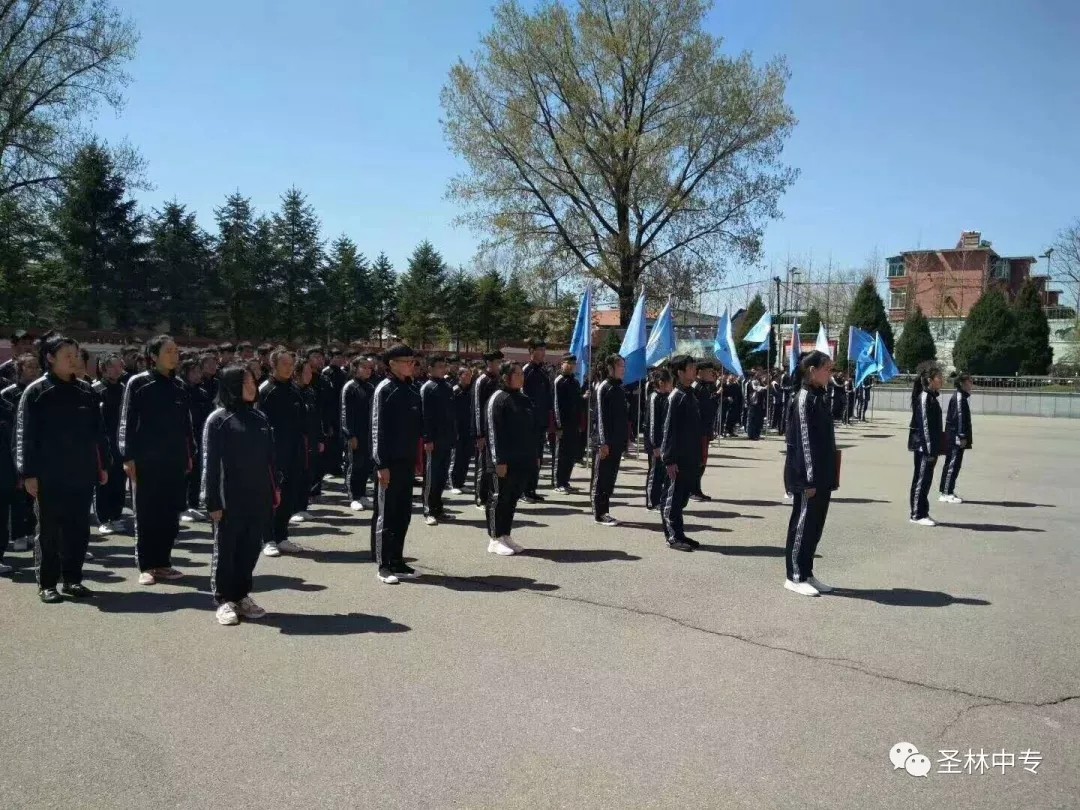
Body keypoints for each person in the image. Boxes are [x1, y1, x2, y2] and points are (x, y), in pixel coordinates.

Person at [15, 334, 109, 602]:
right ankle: (47, 584)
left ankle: (72, 579)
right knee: (49, 532)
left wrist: (103, 465)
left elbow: (99, 433)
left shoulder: (86, 391)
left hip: (82, 472)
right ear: (50, 358)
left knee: (78, 529)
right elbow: (24, 435)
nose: (73, 360)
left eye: (75, 355)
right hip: (49, 475)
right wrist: (28, 473)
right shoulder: (37, 391)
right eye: (67, 355)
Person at [201, 365, 277, 626]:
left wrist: (273, 490)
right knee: (227, 550)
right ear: (231, 386)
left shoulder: (260, 418)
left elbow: (269, 460)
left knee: (250, 548)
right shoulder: (218, 420)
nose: (252, 387)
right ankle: (224, 599)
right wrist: (212, 500)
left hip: (257, 496)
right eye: (245, 383)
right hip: (228, 499)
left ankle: (242, 595)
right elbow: (211, 464)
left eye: (253, 382)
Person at [118, 335, 195, 585]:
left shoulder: (179, 386)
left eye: (176, 351)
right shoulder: (138, 383)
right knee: (147, 514)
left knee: (170, 514)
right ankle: (147, 565)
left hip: (174, 459)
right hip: (145, 460)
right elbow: (127, 420)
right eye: (168, 351)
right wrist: (127, 456)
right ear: (153, 356)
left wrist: (189, 453)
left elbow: (186, 425)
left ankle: (163, 562)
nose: (174, 355)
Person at [783, 351, 839, 596]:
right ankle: (794, 576)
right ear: (812, 370)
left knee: (815, 527)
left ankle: (806, 573)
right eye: (827, 369)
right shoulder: (804, 399)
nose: (830, 373)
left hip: (822, 474)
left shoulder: (819, 397)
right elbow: (804, 443)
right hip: (807, 476)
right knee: (802, 525)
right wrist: (809, 479)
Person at [370, 343, 422, 584]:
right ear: (391, 364)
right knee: (386, 514)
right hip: (388, 463)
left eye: (413, 361)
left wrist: (417, 459)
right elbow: (377, 428)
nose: (411, 365)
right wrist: (381, 464)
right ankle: (383, 565)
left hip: (407, 461)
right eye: (406, 361)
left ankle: (398, 560)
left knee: (403, 514)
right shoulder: (384, 389)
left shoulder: (412, 389)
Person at [258, 349, 307, 555]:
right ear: (273, 366)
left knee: (288, 494)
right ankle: (267, 538)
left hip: (293, 451)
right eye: (284, 364)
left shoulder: (295, 390)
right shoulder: (265, 391)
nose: (289, 368)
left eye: (291, 364)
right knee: (271, 496)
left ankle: (282, 536)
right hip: (273, 453)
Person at [485, 362, 533, 555]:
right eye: (517, 374)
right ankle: (494, 538)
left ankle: (505, 534)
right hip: (502, 460)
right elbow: (493, 432)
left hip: (520, 459)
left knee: (511, 498)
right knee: (498, 498)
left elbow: (530, 430)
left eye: (522, 374)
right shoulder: (498, 398)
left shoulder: (523, 398)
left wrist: (534, 455)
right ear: (506, 377)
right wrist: (499, 461)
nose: (522, 377)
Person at [659, 355, 700, 551]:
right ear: (680, 372)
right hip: (676, 459)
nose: (694, 371)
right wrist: (669, 460)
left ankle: (680, 533)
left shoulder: (690, 394)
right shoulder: (675, 397)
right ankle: (672, 537)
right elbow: (668, 430)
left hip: (689, 456)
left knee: (681, 498)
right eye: (690, 368)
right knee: (672, 499)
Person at [2, 352, 41, 550]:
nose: (34, 370)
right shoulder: (8, 394)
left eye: (36, 366)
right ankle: (18, 534)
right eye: (29, 366)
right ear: (20, 369)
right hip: (14, 448)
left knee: (35, 495)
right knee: (18, 494)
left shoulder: (40, 390)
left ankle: (33, 531)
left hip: (36, 448)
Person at [92, 354, 128, 535]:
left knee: (120, 480)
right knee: (104, 480)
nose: (116, 370)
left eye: (119, 366)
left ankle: (116, 516)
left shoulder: (124, 389)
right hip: (103, 441)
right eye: (112, 366)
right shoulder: (96, 389)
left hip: (120, 440)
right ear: (104, 369)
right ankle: (103, 518)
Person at [418, 356, 455, 526]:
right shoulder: (427, 388)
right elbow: (425, 416)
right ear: (430, 369)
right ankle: (428, 510)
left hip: (446, 438)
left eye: (444, 366)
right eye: (439, 366)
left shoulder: (447, 386)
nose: (443, 369)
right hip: (433, 440)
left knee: (441, 477)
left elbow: (451, 415)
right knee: (431, 477)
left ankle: (438, 509)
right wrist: (427, 438)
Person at [593, 354, 628, 527]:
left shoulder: (619, 388)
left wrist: (625, 439)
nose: (623, 369)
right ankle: (600, 514)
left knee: (610, 478)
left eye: (623, 366)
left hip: (617, 441)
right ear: (610, 368)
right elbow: (600, 417)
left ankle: (605, 511)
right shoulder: (604, 387)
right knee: (601, 478)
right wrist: (602, 442)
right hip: (605, 442)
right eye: (620, 366)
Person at [908, 361, 944, 527]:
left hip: (930, 448)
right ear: (930, 380)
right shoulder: (924, 398)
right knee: (921, 480)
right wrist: (929, 450)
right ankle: (916, 514)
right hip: (924, 448)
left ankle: (923, 512)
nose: (941, 380)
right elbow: (925, 426)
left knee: (926, 480)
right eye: (939, 377)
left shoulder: (931, 397)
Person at [181, 357, 213, 523]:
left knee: (196, 472)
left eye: (199, 371)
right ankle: (181, 507)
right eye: (193, 371)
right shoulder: (180, 390)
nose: (197, 375)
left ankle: (192, 505)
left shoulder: (202, 393)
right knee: (184, 472)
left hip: (199, 437)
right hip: (184, 438)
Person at [341, 355, 374, 511]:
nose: (368, 370)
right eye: (364, 367)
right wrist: (350, 435)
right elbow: (345, 413)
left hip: (368, 434)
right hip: (354, 434)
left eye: (369, 368)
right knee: (353, 465)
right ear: (355, 368)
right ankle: (353, 497)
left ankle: (361, 494)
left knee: (365, 465)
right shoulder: (350, 387)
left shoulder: (370, 387)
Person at [521, 339, 552, 503]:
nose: (542, 353)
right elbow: (521, 396)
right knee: (528, 457)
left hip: (540, 422)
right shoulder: (526, 371)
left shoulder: (543, 371)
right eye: (539, 349)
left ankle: (532, 489)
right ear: (531, 351)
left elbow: (547, 396)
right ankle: (523, 490)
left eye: (544, 349)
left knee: (537, 458)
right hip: (528, 423)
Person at [472, 351, 502, 509]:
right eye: (497, 362)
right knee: (482, 466)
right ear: (489, 363)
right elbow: (477, 408)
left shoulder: (499, 379)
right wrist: (479, 434)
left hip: (496, 430)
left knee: (493, 466)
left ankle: (491, 494)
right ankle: (480, 497)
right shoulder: (481, 381)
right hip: (483, 431)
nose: (500, 365)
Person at [939, 372, 973, 504]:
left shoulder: (961, 397)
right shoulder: (959, 398)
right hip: (955, 437)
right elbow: (958, 418)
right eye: (969, 381)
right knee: (952, 465)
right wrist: (962, 435)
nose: (971, 384)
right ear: (962, 383)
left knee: (954, 465)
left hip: (955, 436)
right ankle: (946, 493)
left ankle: (948, 490)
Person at [552, 354, 582, 494]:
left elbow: (577, 402)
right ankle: (558, 483)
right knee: (561, 455)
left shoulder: (575, 382)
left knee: (570, 455)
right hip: (562, 425)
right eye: (568, 363)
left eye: (573, 363)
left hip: (573, 424)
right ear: (562, 364)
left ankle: (565, 481)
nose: (571, 366)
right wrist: (558, 426)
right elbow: (556, 404)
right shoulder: (558, 381)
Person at [644, 368, 673, 512]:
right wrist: (655, 445)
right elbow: (652, 423)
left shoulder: (666, 397)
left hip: (664, 442)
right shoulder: (654, 397)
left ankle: (660, 498)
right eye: (669, 382)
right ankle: (651, 501)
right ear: (661, 382)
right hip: (655, 443)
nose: (671, 385)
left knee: (662, 472)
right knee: (654, 472)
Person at [691, 362, 719, 501]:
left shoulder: (705, 387)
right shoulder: (696, 387)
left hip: (705, 429)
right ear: (700, 372)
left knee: (702, 460)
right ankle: (693, 490)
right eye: (709, 371)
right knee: (699, 461)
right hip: (699, 430)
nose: (711, 374)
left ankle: (696, 489)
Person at [321, 347, 349, 476]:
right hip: (330, 410)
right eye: (336, 357)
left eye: (341, 357)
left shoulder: (343, 373)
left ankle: (337, 464)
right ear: (331, 358)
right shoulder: (326, 372)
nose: (339, 360)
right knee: (331, 439)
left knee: (339, 439)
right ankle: (330, 466)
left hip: (340, 410)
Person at [449, 365, 475, 495]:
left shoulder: (470, 391)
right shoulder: (454, 391)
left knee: (466, 457)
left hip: (468, 428)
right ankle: (453, 483)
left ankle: (461, 482)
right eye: (466, 375)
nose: (469, 377)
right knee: (456, 458)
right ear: (459, 376)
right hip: (457, 429)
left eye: (470, 375)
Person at [745, 373, 767, 441]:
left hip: (759, 404)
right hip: (753, 403)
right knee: (752, 420)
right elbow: (756, 388)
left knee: (758, 420)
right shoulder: (752, 383)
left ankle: (757, 434)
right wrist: (764, 388)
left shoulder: (760, 382)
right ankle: (752, 435)